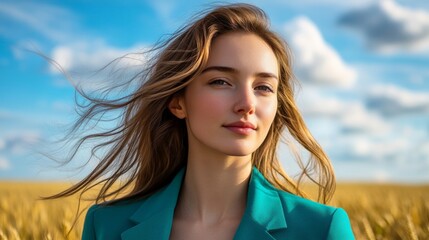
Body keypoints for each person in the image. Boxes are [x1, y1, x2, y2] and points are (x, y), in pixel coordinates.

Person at [51, 3, 354, 239]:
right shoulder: (106, 226)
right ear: (178, 101)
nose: (247, 104)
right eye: (221, 81)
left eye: (263, 87)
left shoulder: (321, 229)